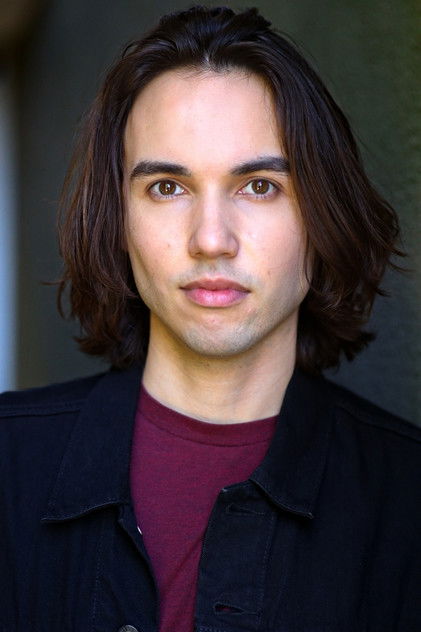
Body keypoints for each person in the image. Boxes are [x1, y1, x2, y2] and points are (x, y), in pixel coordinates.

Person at [1, 6, 420, 631]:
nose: (211, 239)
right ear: (117, 222)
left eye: (259, 186)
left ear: (322, 217)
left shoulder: (406, 498)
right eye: (168, 187)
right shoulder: (8, 464)